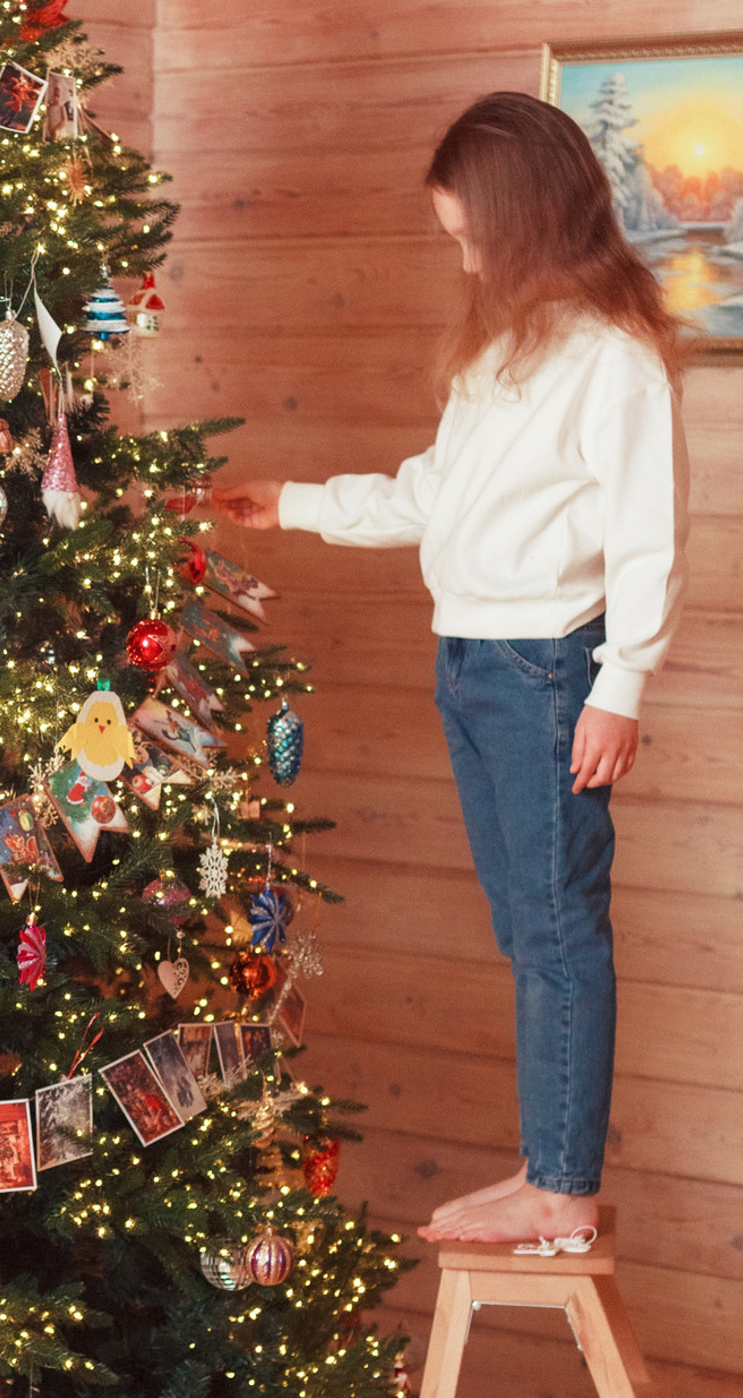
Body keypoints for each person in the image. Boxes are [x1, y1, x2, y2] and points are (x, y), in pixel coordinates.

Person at [213, 92, 686, 1248]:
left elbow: (649, 538)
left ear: (520, 219)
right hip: (471, 659)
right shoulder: (504, 349)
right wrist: (294, 505)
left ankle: (562, 1187)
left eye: (470, 233)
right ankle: (546, 1166)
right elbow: (437, 494)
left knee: (560, 931)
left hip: (544, 671)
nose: (463, 254)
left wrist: (621, 685)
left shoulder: (610, 363)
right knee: (527, 932)